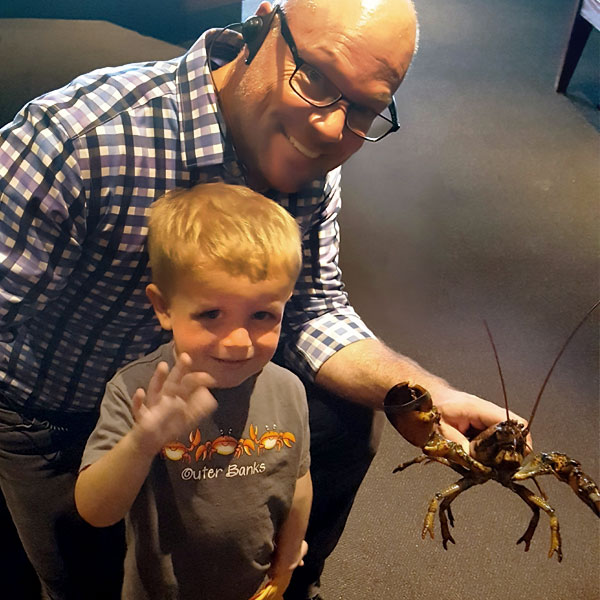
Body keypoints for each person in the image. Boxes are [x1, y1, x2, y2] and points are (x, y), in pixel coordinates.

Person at [0, 1, 529, 599]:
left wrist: (433, 399)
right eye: (317, 80)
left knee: (349, 423)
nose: (331, 128)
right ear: (261, 31)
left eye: (363, 108)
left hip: (214, 387)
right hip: (54, 411)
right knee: (83, 578)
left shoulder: (309, 162)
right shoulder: (76, 143)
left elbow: (315, 308)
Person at [74, 182, 312, 600]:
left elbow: (298, 479)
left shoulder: (288, 388)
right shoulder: (137, 389)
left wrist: (288, 557)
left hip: (254, 586)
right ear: (164, 308)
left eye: (262, 314)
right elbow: (96, 511)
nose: (239, 340)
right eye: (211, 314)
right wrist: (141, 443)